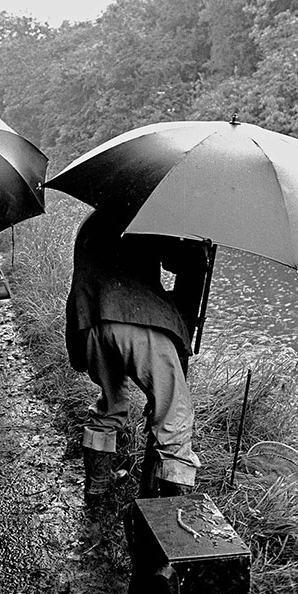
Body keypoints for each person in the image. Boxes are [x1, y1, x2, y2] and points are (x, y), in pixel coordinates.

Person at [65, 209, 208, 505]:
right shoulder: (149, 215)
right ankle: (168, 510)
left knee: (111, 403)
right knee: (174, 412)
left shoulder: (91, 222)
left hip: (92, 321)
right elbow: (181, 262)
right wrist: (200, 246)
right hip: (137, 321)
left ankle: (97, 487)